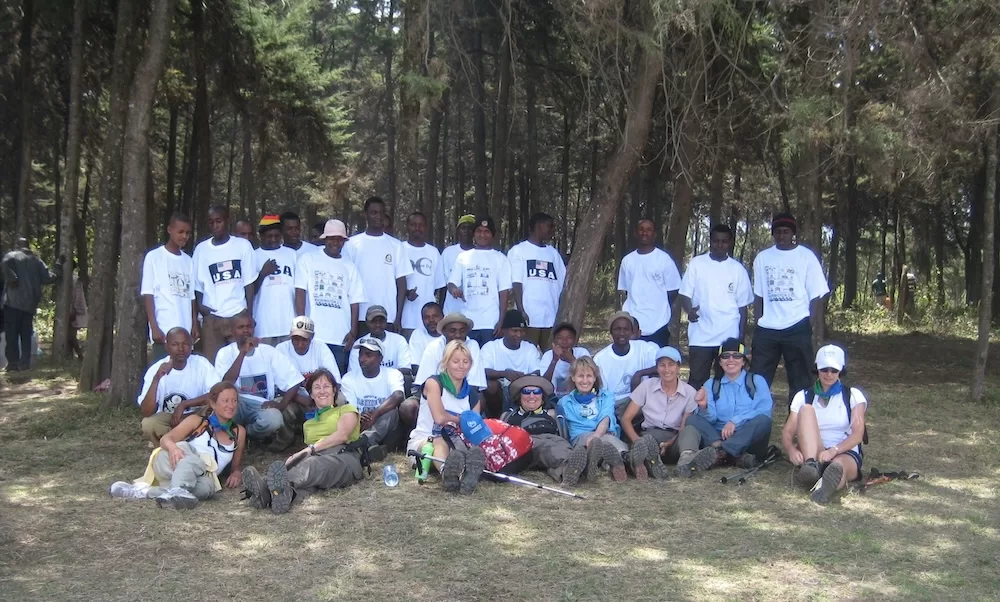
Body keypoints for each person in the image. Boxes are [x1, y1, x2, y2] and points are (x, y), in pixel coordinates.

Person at [241, 369, 364, 514]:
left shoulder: (347, 409)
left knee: (312, 465)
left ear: (334, 390)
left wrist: (310, 449)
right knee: (308, 483)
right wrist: (291, 461)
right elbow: (310, 454)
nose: (322, 391)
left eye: (326, 386)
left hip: (344, 458)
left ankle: (265, 487)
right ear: (311, 394)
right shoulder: (308, 424)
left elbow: (342, 436)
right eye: (317, 388)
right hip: (319, 460)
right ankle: (279, 496)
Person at [111, 381, 246, 510]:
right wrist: (173, 448)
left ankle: (145, 491)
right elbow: (166, 439)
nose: (231, 405)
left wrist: (236, 473)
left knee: (207, 487)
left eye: (234, 401)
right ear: (213, 403)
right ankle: (177, 490)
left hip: (199, 476)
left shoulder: (239, 432)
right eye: (225, 400)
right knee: (195, 460)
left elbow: (235, 467)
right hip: (172, 462)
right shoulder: (197, 421)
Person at [750, 213, 830, 405]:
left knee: (800, 380)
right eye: (778, 232)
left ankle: (799, 423)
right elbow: (759, 295)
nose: (782, 236)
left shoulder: (806, 256)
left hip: (797, 325)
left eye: (786, 232)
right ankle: (755, 421)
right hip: (768, 327)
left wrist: (808, 323)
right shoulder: (763, 258)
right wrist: (759, 322)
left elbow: (816, 295)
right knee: (757, 379)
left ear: (793, 233)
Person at [782, 344, 868, 505]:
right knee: (806, 410)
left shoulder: (853, 395)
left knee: (838, 466)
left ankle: (826, 487)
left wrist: (834, 451)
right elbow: (788, 431)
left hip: (844, 450)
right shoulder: (803, 396)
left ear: (841, 371)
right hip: (814, 450)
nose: (829, 374)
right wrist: (791, 450)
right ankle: (811, 467)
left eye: (834, 370)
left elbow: (858, 433)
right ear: (817, 369)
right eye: (824, 369)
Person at [677, 338, 773, 477]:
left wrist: (736, 420)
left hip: (748, 438)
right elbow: (712, 418)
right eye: (726, 356)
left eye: (736, 356)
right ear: (720, 362)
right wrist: (704, 407)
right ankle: (731, 455)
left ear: (744, 360)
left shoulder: (756, 381)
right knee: (692, 419)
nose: (731, 359)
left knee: (764, 421)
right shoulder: (711, 384)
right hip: (719, 435)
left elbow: (764, 410)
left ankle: (720, 453)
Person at [679, 224, 753, 390]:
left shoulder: (738, 269)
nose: (720, 245)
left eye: (724, 241)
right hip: (700, 334)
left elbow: (742, 307)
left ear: (730, 243)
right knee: (697, 380)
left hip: (728, 334)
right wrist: (689, 311)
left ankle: (723, 414)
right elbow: (685, 294)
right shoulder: (697, 264)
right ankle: (694, 415)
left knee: (726, 380)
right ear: (710, 242)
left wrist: (740, 336)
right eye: (716, 241)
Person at [406, 339, 486, 493]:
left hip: (457, 444)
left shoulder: (473, 395)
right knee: (439, 440)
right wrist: (462, 420)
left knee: (469, 450)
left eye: (466, 361)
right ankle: (446, 473)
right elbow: (440, 418)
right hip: (425, 441)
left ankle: (463, 478)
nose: (461, 366)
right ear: (446, 362)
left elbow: (474, 428)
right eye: (456, 361)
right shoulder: (433, 383)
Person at [214, 312, 305, 442]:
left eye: (249, 326)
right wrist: (243, 353)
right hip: (236, 403)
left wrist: (282, 405)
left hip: (261, 404)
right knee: (220, 413)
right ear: (232, 331)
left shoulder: (268, 351)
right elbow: (226, 383)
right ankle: (233, 435)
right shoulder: (224, 353)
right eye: (241, 327)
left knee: (275, 420)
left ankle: (248, 435)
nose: (246, 330)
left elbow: (294, 380)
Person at [295, 219, 365, 374]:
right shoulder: (308, 259)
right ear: (325, 239)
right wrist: (302, 325)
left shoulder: (350, 267)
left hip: (340, 337)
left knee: (335, 381)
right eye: (332, 238)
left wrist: (353, 332)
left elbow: (355, 302)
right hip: (314, 335)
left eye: (339, 239)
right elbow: (300, 292)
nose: (336, 242)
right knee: (312, 380)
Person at [620, 346, 697, 480]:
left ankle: (685, 465)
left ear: (678, 367)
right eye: (662, 365)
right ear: (657, 368)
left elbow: (683, 428)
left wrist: (669, 443)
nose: (666, 370)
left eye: (671, 365)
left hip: (675, 440)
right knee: (646, 442)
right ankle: (648, 461)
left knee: (690, 431)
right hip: (650, 436)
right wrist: (637, 441)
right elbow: (626, 419)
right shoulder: (647, 386)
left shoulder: (690, 392)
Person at [192, 205, 257, 363]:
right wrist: (201, 308)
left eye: (219, 221)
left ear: (227, 221)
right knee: (213, 365)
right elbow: (197, 285)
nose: (215, 226)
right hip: (212, 318)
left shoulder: (242, 246)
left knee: (242, 362)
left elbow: (249, 283)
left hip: (238, 315)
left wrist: (248, 313)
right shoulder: (201, 250)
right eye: (211, 222)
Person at [402, 313, 488, 429]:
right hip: (435, 393)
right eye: (452, 331)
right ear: (444, 331)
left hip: (463, 394)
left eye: (462, 331)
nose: (458, 335)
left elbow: (474, 385)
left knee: (479, 399)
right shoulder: (433, 346)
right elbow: (425, 383)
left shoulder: (472, 345)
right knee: (408, 406)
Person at [137, 327, 220, 444]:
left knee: (216, 410)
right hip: (169, 419)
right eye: (175, 344)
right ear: (166, 347)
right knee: (148, 424)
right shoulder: (155, 369)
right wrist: (156, 379)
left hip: (195, 416)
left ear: (191, 345)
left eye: (185, 344)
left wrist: (185, 404)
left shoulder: (202, 364)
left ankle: (177, 439)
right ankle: (183, 440)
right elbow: (146, 412)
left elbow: (217, 394)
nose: (181, 349)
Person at [343, 196, 413, 334]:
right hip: (359, 316)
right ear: (365, 214)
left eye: (381, 213)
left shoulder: (396, 246)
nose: (378, 216)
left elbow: (401, 283)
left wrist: (398, 317)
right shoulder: (351, 244)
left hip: (387, 316)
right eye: (374, 212)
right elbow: (346, 282)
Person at [502, 375, 586, 485]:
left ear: (542, 397)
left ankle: (566, 474)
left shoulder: (553, 413)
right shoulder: (508, 416)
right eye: (526, 391)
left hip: (554, 440)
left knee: (559, 447)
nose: (531, 396)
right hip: (526, 443)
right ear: (520, 396)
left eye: (536, 392)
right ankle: (576, 466)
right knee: (549, 448)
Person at [557, 356, 628, 482]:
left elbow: (605, 418)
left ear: (595, 378)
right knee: (596, 442)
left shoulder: (606, 396)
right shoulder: (565, 402)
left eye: (589, 376)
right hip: (581, 438)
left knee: (606, 439)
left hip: (603, 432)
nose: (585, 380)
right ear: (573, 377)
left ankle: (622, 460)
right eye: (580, 376)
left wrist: (596, 435)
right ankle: (611, 462)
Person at [447, 215, 512, 347]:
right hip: (467, 322)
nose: (482, 235)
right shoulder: (463, 257)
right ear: (474, 234)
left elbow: (504, 293)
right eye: (479, 231)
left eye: (486, 231)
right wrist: (454, 290)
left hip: (491, 323)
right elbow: (451, 282)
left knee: (488, 362)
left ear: (493, 235)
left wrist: (501, 322)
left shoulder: (500, 258)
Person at [1, 237, 64, 371]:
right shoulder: (36, 261)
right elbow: (49, 277)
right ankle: (24, 364)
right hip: (29, 305)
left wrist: (11, 277)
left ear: (17, 245)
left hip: (12, 303)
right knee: (26, 336)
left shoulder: (11, 256)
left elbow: (4, 262)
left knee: (11, 335)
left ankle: (12, 364)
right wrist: (58, 265)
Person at [616, 219, 682, 347]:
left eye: (648, 230)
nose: (644, 233)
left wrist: (658, 306)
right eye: (641, 229)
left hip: (658, 324)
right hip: (633, 324)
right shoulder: (627, 260)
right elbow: (625, 290)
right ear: (635, 233)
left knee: (657, 364)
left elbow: (673, 291)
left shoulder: (663, 259)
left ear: (654, 234)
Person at [141, 214, 197, 362]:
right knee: (163, 374)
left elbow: (191, 297)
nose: (184, 236)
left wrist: (194, 323)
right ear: (169, 230)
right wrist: (154, 327)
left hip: (185, 331)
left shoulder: (189, 261)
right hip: (164, 330)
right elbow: (148, 294)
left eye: (188, 233)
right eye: (180, 232)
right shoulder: (154, 257)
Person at [507, 212, 566, 349]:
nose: (552, 230)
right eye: (549, 226)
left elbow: (562, 283)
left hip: (551, 317)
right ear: (538, 226)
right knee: (528, 354)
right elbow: (516, 283)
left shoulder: (553, 253)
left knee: (551, 355)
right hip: (529, 317)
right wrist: (521, 311)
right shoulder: (518, 251)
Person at [341, 337, 405, 454]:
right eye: (360, 354)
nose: (362, 359)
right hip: (360, 425)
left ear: (380, 358)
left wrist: (375, 414)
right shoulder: (349, 378)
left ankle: (364, 442)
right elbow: (351, 408)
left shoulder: (393, 374)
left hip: (386, 425)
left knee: (392, 412)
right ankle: (375, 449)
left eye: (368, 355)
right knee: (348, 415)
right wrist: (360, 417)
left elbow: (398, 396)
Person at [592, 311, 656, 416]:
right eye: (617, 329)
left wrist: (639, 373)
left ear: (632, 332)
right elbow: (603, 394)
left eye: (626, 329)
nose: (622, 333)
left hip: (643, 400)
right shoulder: (600, 358)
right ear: (611, 332)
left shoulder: (645, 349)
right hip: (615, 404)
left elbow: (664, 367)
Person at [480, 309, 541, 417]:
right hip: (499, 393)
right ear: (504, 331)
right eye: (515, 330)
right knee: (491, 386)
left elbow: (536, 372)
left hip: (523, 388)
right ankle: (496, 417)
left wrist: (522, 379)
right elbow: (483, 371)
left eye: (522, 331)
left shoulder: (530, 348)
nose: (519, 335)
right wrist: (505, 373)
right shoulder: (491, 347)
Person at [253, 214, 297, 346]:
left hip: (288, 323)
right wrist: (262, 274)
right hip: (263, 326)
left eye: (277, 236)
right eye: (269, 236)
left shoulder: (291, 254)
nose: (273, 239)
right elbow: (249, 292)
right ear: (261, 236)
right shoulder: (253, 256)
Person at [401, 212, 446, 339]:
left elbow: (439, 286)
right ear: (407, 226)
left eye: (421, 225)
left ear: (426, 227)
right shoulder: (399, 249)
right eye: (413, 225)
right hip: (404, 319)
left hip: (429, 322)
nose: (417, 228)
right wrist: (405, 292)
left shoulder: (433, 252)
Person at [275, 315, 343, 384]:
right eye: (295, 339)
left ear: (312, 336)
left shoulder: (321, 348)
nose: (300, 344)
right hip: (290, 394)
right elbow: (278, 384)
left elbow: (335, 382)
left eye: (304, 340)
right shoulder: (281, 349)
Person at [347, 305, 412, 376]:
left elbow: (406, 369)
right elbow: (353, 373)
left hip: (391, 383)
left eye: (381, 321)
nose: (378, 324)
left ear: (386, 321)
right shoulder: (359, 344)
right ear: (366, 322)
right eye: (373, 321)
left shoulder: (399, 340)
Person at [538, 322, 590, 397]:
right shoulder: (548, 355)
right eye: (560, 338)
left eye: (569, 338)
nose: (564, 342)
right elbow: (543, 383)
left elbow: (588, 378)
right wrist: (554, 360)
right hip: (552, 398)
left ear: (575, 340)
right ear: (554, 340)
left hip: (579, 397)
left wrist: (572, 360)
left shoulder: (582, 353)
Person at [440, 215, 475, 316]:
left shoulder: (479, 253)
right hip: (451, 309)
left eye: (470, 228)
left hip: (473, 311)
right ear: (458, 231)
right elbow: (442, 285)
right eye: (463, 228)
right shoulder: (448, 252)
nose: (466, 231)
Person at [408, 301, 443, 376]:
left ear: (443, 317)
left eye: (435, 316)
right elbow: (415, 366)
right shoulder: (418, 334)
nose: (431, 320)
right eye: (427, 317)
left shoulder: (451, 334)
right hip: (426, 381)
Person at [69, 268, 87, 360]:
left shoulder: (76, 280)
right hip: (69, 311)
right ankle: (74, 355)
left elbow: (78, 296)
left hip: (74, 312)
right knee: (70, 335)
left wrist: (75, 310)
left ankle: (80, 355)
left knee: (72, 336)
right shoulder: (66, 279)